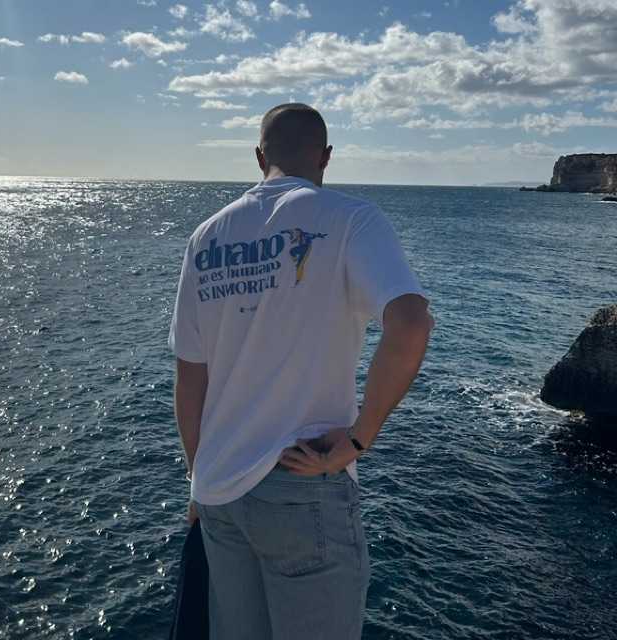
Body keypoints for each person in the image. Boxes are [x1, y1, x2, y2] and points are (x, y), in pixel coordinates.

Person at [168, 102, 434, 640]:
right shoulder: (350, 219)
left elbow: (190, 379)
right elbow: (410, 324)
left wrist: (199, 481)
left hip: (219, 493)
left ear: (258, 156)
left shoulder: (206, 237)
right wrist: (357, 441)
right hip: (301, 481)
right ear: (326, 157)